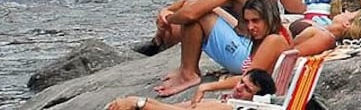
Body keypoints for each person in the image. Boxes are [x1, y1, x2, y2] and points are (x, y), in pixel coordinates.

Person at [185, 0, 290, 104]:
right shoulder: (277, 37)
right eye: (247, 21)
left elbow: (246, 79)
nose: (250, 27)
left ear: (269, 18)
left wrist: (206, 87)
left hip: (248, 103)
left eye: (255, 21)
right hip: (253, 100)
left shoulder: (272, 41)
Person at [106, 69, 275, 110]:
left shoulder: (228, 107)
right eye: (241, 82)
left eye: (247, 89)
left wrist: (140, 103)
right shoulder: (225, 102)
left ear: (256, 98)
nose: (239, 88)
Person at [289, 8, 361, 56]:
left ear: (347, 24)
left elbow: (291, 55)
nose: (345, 11)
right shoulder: (324, 30)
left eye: (350, 13)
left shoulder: (325, 39)